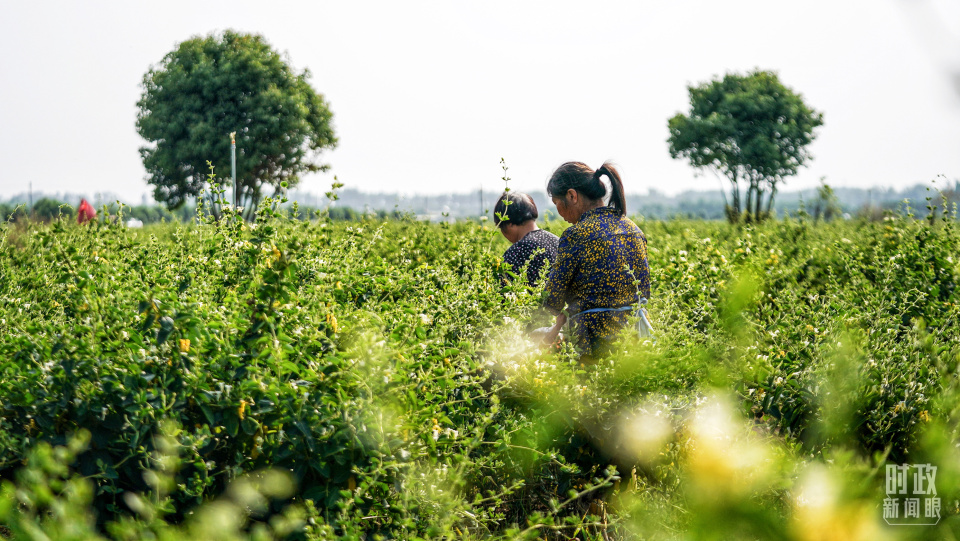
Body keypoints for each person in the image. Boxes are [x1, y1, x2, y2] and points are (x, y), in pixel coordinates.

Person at [538, 162, 650, 359]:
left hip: (593, 341)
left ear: (572, 196)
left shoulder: (577, 235)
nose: (560, 213)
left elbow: (552, 300)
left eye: (557, 204)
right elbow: (644, 291)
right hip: (635, 338)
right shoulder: (634, 230)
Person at [493, 191, 559, 288]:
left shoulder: (516, 252)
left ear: (509, 223)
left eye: (501, 227)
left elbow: (504, 293)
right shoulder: (558, 241)